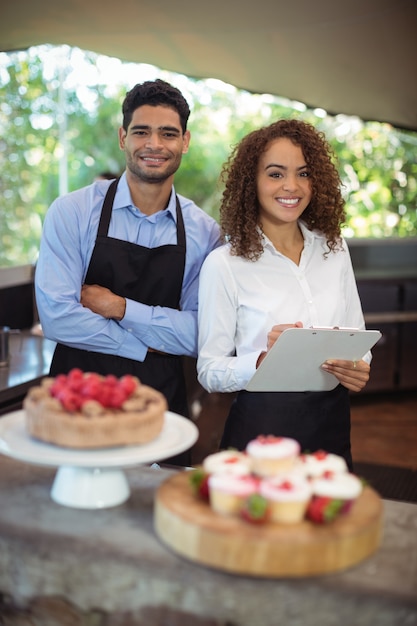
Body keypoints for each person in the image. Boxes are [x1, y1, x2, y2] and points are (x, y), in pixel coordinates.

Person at [35, 79, 221, 465]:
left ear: (185, 141)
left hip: (161, 404)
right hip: (78, 397)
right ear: (123, 137)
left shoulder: (205, 233)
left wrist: (119, 308)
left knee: (152, 513)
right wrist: (145, 345)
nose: (154, 144)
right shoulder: (72, 212)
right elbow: (58, 319)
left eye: (168, 133)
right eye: (142, 132)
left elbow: (200, 334)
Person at [197, 119, 372, 471]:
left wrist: (359, 367)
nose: (292, 186)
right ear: (252, 182)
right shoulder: (224, 264)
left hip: (332, 424)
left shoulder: (334, 251)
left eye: (304, 174)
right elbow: (209, 370)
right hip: (262, 428)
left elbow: (360, 339)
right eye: (275, 174)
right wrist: (262, 361)